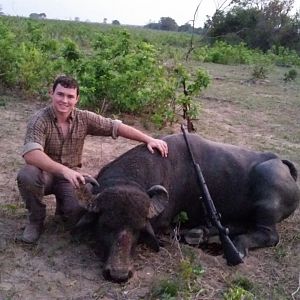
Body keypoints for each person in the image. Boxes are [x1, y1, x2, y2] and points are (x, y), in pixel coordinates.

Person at [17, 75, 168, 243]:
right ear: (51, 93)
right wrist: (64, 170)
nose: (64, 100)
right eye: (60, 94)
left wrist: (148, 139)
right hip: (46, 174)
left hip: (71, 179)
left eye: (70, 96)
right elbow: (31, 154)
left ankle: (63, 206)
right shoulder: (39, 120)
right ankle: (35, 220)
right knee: (27, 175)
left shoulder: (84, 118)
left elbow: (116, 127)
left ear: (77, 99)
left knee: (78, 218)